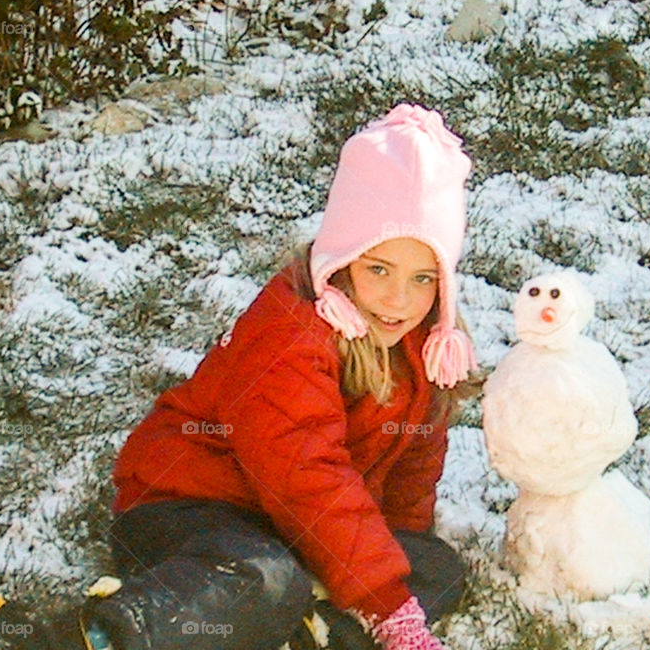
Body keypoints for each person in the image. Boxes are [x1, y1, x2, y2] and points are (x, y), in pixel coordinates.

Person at [81, 103, 480, 650]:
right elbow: (304, 473)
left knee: (434, 566)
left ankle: (318, 633)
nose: (398, 300)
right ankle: (112, 633)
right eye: (378, 269)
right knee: (267, 580)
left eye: (423, 278)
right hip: (191, 505)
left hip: (293, 524)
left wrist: (396, 567)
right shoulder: (289, 333)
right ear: (339, 262)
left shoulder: (425, 345)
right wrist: (386, 605)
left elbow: (411, 468)